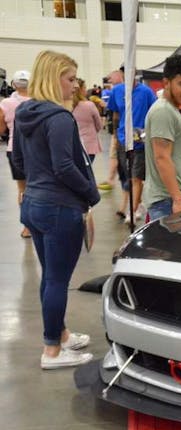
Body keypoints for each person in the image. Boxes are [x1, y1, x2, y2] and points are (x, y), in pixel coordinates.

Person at [13, 50, 100, 369]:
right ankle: (52, 350)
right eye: (70, 78)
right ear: (53, 78)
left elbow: (18, 161)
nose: (75, 85)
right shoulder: (60, 118)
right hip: (59, 208)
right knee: (57, 279)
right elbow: (65, 166)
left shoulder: (25, 114)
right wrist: (91, 193)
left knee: (50, 276)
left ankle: (60, 335)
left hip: (33, 204)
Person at [142, 55, 181, 221]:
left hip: (170, 200)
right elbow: (162, 157)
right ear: (166, 83)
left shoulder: (170, 110)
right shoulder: (163, 111)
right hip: (168, 202)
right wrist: (178, 200)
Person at [106, 65, 156, 223]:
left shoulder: (146, 92)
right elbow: (115, 114)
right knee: (127, 175)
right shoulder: (117, 91)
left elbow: (153, 112)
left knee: (136, 177)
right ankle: (138, 204)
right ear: (121, 74)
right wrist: (115, 136)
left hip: (140, 141)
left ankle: (132, 212)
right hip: (122, 139)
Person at [0, 69, 32, 238]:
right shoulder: (38, 101)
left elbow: (1, 128)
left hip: (15, 149)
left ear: (13, 84)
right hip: (37, 150)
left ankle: (27, 227)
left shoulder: (5, 103)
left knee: (22, 188)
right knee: (39, 186)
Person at [71, 78, 102, 164]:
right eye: (84, 88)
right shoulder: (89, 105)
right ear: (80, 89)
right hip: (89, 145)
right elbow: (99, 125)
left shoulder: (67, 106)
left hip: (72, 145)